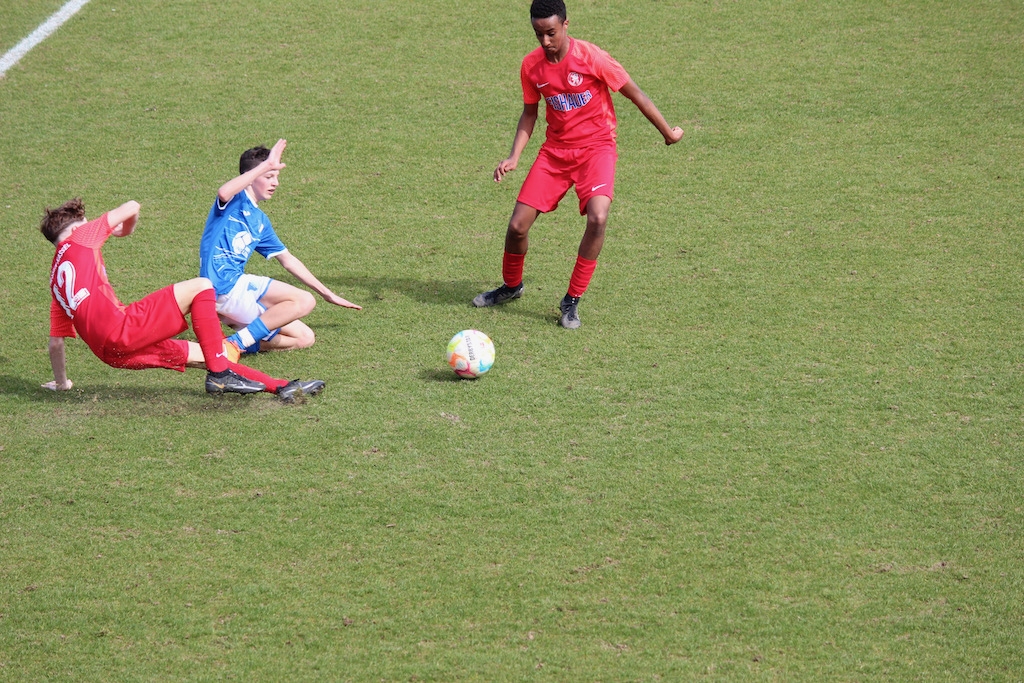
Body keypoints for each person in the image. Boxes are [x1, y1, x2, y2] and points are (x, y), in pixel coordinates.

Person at [473, 0, 684, 328]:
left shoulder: (592, 58)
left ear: (566, 25)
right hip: (555, 154)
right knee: (517, 227)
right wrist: (514, 156)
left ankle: (571, 301)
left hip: (596, 151)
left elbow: (636, 94)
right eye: (538, 34)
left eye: (551, 33)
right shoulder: (531, 66)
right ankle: (511, 286)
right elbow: (530, 113)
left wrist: (668, 132)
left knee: (598, 217)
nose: (545, 42)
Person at [41, 198, 324, 402]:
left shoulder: (56, 281)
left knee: (210, 355)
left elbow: (56, 343)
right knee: (202, 286)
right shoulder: (82, 237)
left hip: (109, 354)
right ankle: (220, 376)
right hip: (123, 328)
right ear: (76, 229)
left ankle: (283, 387)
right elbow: (132, 206)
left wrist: (63, 383)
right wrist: (120, 231)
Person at [199, 139, 360, 357]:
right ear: (251, 178)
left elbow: (288, 259)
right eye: (268, 176)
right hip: (222, 288)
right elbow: (223, 192)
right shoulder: (234, 201)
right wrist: (265, 165)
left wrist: (328, 294)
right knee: (303, 300)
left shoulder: (260, 220)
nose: (275, 183)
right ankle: (237, 343)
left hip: (235, 291)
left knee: (304, 338)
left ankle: (228, 345)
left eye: (276, 176)